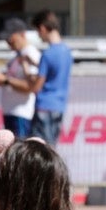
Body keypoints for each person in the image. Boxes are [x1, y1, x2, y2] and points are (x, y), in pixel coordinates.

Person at [0, 18, 40, 142]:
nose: (8, 41)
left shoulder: (31, 54)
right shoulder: (17, 55)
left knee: (20, 153)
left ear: (22, 34)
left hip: (21, 113)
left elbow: (31, 86)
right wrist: (2, 79)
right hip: (12, 112)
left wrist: (6, 80)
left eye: (11, 37)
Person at [29, 11, 72, 147]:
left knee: (40, 150)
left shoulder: (47, 54)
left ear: (42, 28)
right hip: (59, 105)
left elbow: (37, 86)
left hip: (44, 105)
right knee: (51, 149)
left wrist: (28, 76)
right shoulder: (67, 51)